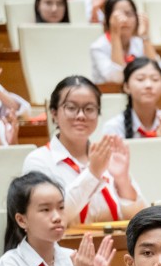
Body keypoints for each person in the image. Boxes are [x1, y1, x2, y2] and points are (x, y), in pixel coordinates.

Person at [23, 76, 144, 224]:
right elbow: (50, 218)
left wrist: (122, 179)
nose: (81, 116)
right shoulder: (38, 160)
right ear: (54, 113)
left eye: (89, 109)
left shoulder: (107, 155)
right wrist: (92, 174)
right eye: (71, 108)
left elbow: (141, 219)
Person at [0, 172, 116, 266]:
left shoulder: (73, 258)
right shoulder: (10, 264)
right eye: (45, 210)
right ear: (21, 220)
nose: (57, 217)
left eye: (61, 208)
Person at [102, 58, 161, 139]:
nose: (148, 85)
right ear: (126, 87)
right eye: (140, 79)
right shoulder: (115, 126)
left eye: (155, 79)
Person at [89, 0, 161, 84]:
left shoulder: (139, 43)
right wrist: (115, 35)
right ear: (107, 19)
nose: (125, 19)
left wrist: (145, 37)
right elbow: (117, 80)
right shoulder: (98, 47)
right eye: (118, 15)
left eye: (129, 14)